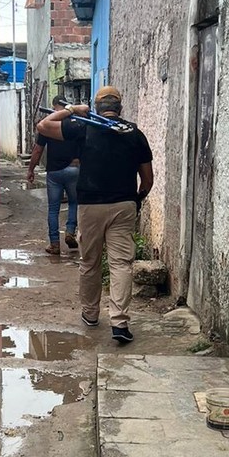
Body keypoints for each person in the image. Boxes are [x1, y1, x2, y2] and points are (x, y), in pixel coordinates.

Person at [36, 86, 153, 343]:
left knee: (90, 262)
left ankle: (90, 314)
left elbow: (43, 126)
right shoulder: (135, 134)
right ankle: (119, 323)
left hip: (89, 207)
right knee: (121, 264)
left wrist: (71, 110)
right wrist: (137, 200)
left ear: (97, 107)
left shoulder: (83, 128)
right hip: (123, 205)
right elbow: (147, 180)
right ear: (119, 107)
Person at [27, 95, 80, 255]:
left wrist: (31, 169)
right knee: (73, 203)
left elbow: (38, 150)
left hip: (54, 172)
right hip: (74, 168)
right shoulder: (76, 123)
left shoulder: (48, 125)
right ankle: (70, 231)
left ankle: (54, 244)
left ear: (54, 106)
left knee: (53, 209)